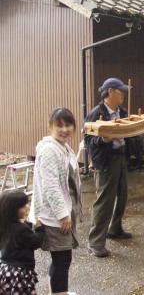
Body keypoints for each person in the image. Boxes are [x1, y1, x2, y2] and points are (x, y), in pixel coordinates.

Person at [31, 108, 82, 292]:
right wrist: (62, 214)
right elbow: (51, 185)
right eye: (59, 125)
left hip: (59, 213)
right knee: (62, 259)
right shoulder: (50, 150)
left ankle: (59, 291)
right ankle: (59, 292)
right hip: (53, 216)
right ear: (50, 127)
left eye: (68, 125)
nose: (64, 129)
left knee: (62, 258)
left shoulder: (63, 147)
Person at [85, 77, 134, 258]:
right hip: (105, 160)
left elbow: (129, 132)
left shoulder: (122, 111)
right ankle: (95, 242)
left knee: (122, 195)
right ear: (110, 92)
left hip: (121, 157)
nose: (124, 94)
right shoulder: (96, 113)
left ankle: (115, 228)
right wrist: (103, 140)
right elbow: (89, 141)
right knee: (105, 200)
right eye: (121, 91)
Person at [0, 190, 44, 295]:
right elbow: (36, 242)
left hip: (5, 269)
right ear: (13, 210)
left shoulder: (4, 225)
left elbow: (20, 239)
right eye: (23, 206)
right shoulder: (21, 229)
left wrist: (27, 224)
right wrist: (40, 229)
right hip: (20, 272)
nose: (26, 208)